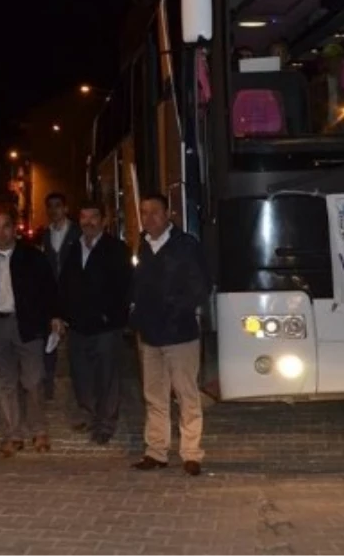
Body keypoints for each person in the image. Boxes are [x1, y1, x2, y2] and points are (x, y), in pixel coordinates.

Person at [0, 206, 64, 457]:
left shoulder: (32, 257)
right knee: (5, 383)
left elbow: (49, 289)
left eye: (6, 226)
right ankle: (12, 434)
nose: (1, 232)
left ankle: (39, 430)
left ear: (14, 228)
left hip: (27, 325)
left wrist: (54, 316)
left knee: (33, 380)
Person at [129, 193, 210, 477]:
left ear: (168, 215)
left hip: (180, 334)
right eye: (144, 212)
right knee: (154, 396)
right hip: (150, 335)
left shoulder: (186, 245)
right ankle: (156, 451)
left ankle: (191, 453)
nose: (149, 218)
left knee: (186, 395)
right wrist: (136, 317)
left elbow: (200, 286)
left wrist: (177, 311)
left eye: (155, 212)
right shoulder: (142, 246)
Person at [59, 200, 131, 444]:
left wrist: (111, 316)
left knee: (107, 377)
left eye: (93, 217)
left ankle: (106, 424)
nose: (88, 222)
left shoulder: (116, 248)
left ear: (103, 220)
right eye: (84, 217)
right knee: (82, 376)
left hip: (105, 327)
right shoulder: (74, 248)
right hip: (78, 326)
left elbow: (124, 287)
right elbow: (65, 285)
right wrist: (63, 315)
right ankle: (89, 415)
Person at [36, 192, 80, 400]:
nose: (54, 211)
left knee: (76, 341)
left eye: (57, 206)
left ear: (65, 208)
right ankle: (48, 382)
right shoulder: (46, 235)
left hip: (74, 294)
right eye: (50, 207)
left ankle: (79, 385)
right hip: (51, 294)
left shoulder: (77, 233)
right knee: (48, 339)